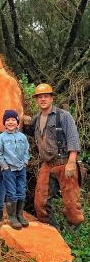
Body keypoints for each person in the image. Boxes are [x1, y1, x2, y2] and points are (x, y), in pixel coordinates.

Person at [24, 83, 84, 229]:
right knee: (40, 203)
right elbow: (32, 132)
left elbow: (72, 137)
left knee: (71, 205)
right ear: (37, 100)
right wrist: (24, 122)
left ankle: (73, 233)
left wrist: (71, 162)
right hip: (48, 164)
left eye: (45, 96)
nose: (42, 99)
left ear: (51, 98)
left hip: (64, 162)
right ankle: (52, 232)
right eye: (39, 97)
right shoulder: (37, 118)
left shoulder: (63, 116)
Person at [0, 110, 29, 230]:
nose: (10, 122)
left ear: (17, 122)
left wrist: (25, 162)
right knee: (12, 193)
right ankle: (12, 217)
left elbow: (26, 150)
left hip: (21, 169)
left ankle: (20, 215)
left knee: (21, 191)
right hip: (9, 169)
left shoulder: (22, 137)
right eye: (8, 120)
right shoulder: (1, 138)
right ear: (4, 123)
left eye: (13, 120)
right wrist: (4, 166)